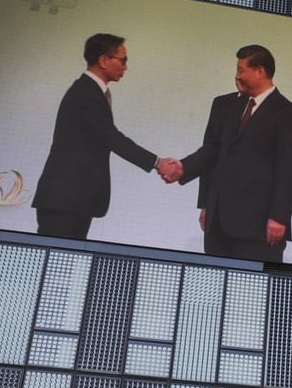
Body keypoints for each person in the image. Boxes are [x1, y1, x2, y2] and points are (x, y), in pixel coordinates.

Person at [31, 33, 180, 239]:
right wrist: (157, 162)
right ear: (103, 60)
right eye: (123, 60)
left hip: (74, 199)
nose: (126, 67)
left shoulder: (92, 91)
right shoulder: (86, 93)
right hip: (64, 200)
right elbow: (112, 137)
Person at [170, 45, 292, 263]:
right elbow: (212, 151)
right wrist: (204, 201)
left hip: (259, 227)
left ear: (260, 72)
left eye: (241, 70)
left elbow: (289, 170)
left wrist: (279, 218)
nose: (237, 76)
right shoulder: (225, 105)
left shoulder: (287, 113)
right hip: (218, 222)